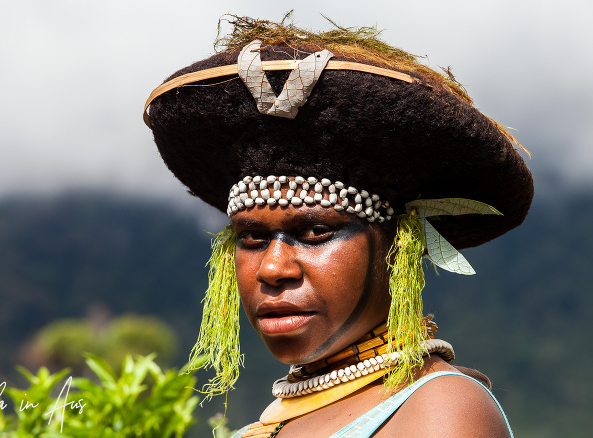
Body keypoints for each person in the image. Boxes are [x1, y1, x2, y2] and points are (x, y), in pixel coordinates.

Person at [142, 16, 532, 438]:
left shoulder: (440, 413)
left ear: (397, 248)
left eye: (315, 233)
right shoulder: (275, 421)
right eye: (252, 238)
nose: (272, 270)